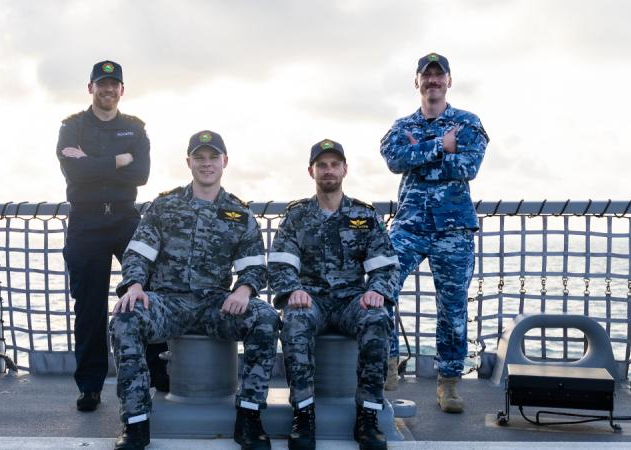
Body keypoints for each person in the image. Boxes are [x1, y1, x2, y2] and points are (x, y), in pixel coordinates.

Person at [109, 130, 280, 450]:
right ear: (188, 162)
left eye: (213, 157)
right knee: (124, 317)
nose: (206, 164)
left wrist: (243, 290)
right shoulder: (164, 206)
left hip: (215, 303)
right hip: (167, 302)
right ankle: (135, 424)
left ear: (224, 162)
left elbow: (254, 266)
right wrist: (133, 285)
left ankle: (249, 417)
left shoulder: (239, 213)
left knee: (266, 318)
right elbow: (138, 254)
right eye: (199, 157)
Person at [269, 139, 398, 450]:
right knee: (295, 321)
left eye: (334, 164)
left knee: (377, 318)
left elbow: (386, 267)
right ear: (311, 171)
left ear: (344, 169)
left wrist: (377, 291)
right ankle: (303, 414)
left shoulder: (364, 216)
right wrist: (293, 290)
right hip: (310, 300)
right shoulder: (297, 217)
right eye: (322, 165)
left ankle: (368, 416)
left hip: (352, 301)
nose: (328, 170)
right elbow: (280, 264)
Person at [379, 52, 489, 412]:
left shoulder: (468, 122)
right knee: (381, 288)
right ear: (417, 82)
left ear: (449, 81)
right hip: (409, 225)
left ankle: (449, 384)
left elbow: (469, 166)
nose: (433, 81)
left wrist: (419, 151)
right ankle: (387, 364)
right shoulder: (400, 126)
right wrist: (441, 146)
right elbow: (395, 159)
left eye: (439, 76)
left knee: (452, 308)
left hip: (453, 228)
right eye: (426, 76)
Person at [56, 60, 167, 412]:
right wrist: (117, 160)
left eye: (114, 84)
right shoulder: (71, 127)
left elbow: (141, 174)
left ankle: (155, 371)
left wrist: (93, 163)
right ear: (90, 88)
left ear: (122, 90)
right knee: (88, 306)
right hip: (86, 222)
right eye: (101, 84)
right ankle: (90, 385)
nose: (108, 89)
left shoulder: (135, 129)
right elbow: (73, 168)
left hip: (124, 219)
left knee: (146, 292)